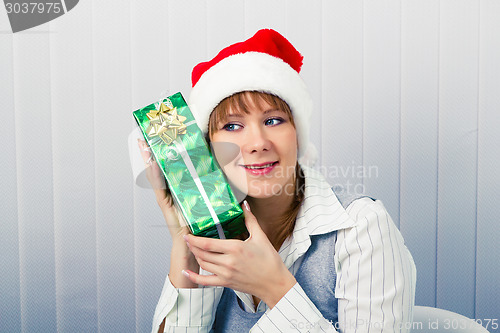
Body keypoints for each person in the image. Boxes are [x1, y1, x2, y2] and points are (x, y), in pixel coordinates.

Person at [140, 29, 416, 333]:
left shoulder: (361, 228)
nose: (257, 142)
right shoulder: (213, 231)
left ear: (297, 136)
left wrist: (275, 287)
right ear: (209, 151)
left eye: (273, 120)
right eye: (232, 126)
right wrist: (185, 244)